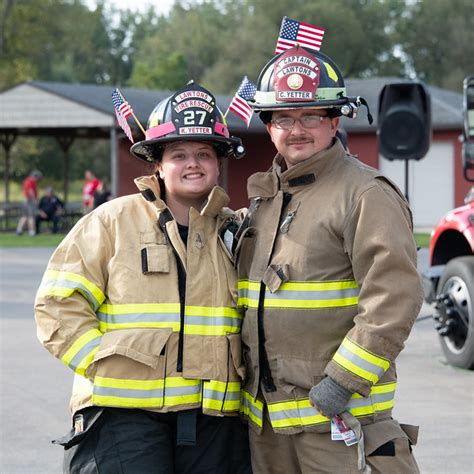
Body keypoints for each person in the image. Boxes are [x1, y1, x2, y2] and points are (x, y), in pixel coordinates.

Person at [34, 82, 251, 473]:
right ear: (158, 164)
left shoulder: (238, 231)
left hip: (213, 417)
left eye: (204, 153)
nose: (193, 164)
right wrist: (100, 364)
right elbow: (57, 303)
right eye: (179, 154)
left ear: (219, 163)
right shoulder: (111, 221)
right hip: (123, 414)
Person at [236, 44, 423, 473]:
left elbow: (393, 300)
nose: (295, 129)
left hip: (340, 421)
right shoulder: (266, 199)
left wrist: (342, 382)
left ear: (335, 121)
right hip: (268, 428)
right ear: (268, 127)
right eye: (283, 118)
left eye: (311, 117)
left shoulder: (365, 194)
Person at [16, 169, 42, 236]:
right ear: (35, 176)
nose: (38, 180)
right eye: (38, 178)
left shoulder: (27, 181)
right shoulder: (31, 181)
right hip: (30, 201)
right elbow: (31, 191)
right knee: (31, 216)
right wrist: (34, 200)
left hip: (26, 200)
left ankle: (19, 230)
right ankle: (32, 231)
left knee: (25, 216)